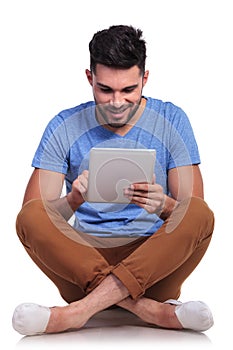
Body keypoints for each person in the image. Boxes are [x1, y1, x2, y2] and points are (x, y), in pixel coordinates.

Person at [12, 25, 214, 336]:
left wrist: (163, 205)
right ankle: (154, 312)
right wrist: (72, 201)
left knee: (200, 214)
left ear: (145, 79)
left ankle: (78, 313)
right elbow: (35, 217)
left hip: (155, 264)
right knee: (29, 217)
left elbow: (192, 212)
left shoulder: (172, 120)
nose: (117, 102)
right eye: (105, 90)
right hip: (82, 263)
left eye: (129, 90)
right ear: (90, 78)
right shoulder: (64, 125)